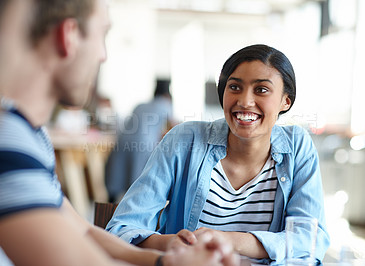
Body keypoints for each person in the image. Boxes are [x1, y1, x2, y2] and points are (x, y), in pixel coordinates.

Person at [0, 0, 240, 265]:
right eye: (102, 35)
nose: (103, 55)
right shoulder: (8, 137)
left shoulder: (33, 136)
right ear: (68, 36)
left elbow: (83, 231)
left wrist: (162, 257)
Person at [107, 44, 331, 265]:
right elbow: (121, 229)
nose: (244, 101)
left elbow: (311, 240)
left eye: (261, 89)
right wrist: (171, 244)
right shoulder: (184, 140)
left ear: (286, 101)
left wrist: (228, 240)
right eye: (234, 87)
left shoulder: (297, 146)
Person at [106, 79, 174, 202]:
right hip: (143, 145)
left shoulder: (140, 105)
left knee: (118, 176)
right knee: (137, 183)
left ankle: (108, 211)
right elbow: (173, 128)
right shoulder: (166, 104)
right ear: (167, 95)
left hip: (122, 141)